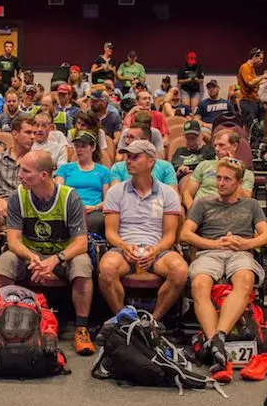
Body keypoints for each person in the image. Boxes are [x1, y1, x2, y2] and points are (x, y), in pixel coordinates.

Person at [181, 158, 267, 382]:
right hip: (210, 252)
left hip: (239, 252)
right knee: (199, 283)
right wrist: (214, 244)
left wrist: (245, 243)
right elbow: (184, 235)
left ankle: (216, 340)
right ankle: (218, 343)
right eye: (218, 178)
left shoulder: (251, 205)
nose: (221, 183)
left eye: (227, 179)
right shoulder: (202, 203)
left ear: (239, 182)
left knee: (244, 279)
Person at [0, 150, 95, 355]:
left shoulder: (69, 197)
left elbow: (81, 243)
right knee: (6, 260)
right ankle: (3, 320)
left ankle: (81, 328)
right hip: (31, 256)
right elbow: (13, 240)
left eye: (26, 171)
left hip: (61, 257)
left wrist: (54, 260)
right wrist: (29, 256)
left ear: (43, 175)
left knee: (83, 263)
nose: (19, 175)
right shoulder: (18, 197)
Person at [99, 139, 188, 323]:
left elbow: (170, 235)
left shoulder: (168, 193)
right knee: (106, 269)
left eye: (135, 157)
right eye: (128, 157)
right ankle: (125, 319)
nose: (128, 161)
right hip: (124, 247)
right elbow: (111, 233)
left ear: (151, 162)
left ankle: (153, 321)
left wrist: (154, 250)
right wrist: (125, 246)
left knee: (179, 271)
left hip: (158, 249)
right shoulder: (116, 192)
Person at [182, 129, 255, 210]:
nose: (217, 149)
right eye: (215, 145)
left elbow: (245, 200)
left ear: (234, 146)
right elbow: (187, 193)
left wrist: (233, 169)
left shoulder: (246, 174)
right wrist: (193, 211)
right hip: (201, 211)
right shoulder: (204, 165)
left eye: (221, 145)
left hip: (229, 213)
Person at [55, 130, 110, 234]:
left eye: (83, 146)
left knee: (96, 221)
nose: (79, 150)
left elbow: (108, 200)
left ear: (93, 148)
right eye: (77, 146)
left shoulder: (103, 171)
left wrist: (95, 207)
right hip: (70, 209)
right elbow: (57, 193)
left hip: (93, 210)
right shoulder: (65, 169)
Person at [0, 115, 36, 218]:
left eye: (34, 133)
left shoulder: (37, 161)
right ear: (15, 134)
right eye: (28, 132)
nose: (32, 137)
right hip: (1, 207)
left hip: (28, 207)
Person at [111, 124, 177, 186]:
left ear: (145, 141)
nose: (127, 141)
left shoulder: (166, 167)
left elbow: (172, 196)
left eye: (131, 137)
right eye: (126, 137)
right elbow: (115, 196)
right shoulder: (118, 168)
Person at [237, 48, 267, 127]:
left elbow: (255, 82)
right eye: (261, 58)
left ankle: (264, 137)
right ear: (255, 57)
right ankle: (249, 139)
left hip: (255, 100)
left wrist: (264, 81)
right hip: (247, 101)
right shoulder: (245, 67)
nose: (262, 62)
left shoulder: (252, 68)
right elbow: (250, 83)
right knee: (251, 126)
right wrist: (263, 76)